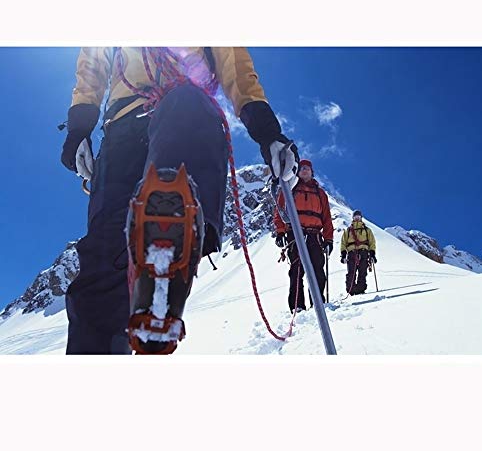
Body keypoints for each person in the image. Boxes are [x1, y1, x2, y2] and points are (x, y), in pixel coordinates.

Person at [60, 47, 299, 354]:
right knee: (105, 258)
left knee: (186, 110)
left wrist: (266, 131)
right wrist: (79, 127)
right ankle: (168, 243)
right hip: (127, 125)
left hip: (177, 109)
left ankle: (168, 233)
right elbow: (95, 56)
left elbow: (232, 61)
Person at [273, 159, 334, 313]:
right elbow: (279, 211)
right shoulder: (290, 188)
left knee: (317, 271)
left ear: (312, 171)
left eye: (307, 168)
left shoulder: (321, 194)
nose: (304, 170)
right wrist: (280, 231)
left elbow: (326, 217)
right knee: (296, 271)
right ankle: (297, 307)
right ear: (297, 172)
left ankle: (318, 303)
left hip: (315, 235)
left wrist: (328, 239)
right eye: (301, 168)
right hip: (295, 233)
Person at [340, 210, 377, 295]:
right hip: (351, 253)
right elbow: (343, 243)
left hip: (364, 252)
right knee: (351, 273)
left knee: (362, 272)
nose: (357, 218)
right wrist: (343, 255)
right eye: (355, 217)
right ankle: (351, 290)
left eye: (358, 217)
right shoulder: (348, 231)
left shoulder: (367, 230)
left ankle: (360, 290)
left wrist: (372, 254)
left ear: (361, 218)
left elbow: (372, 243)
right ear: (353, 218)